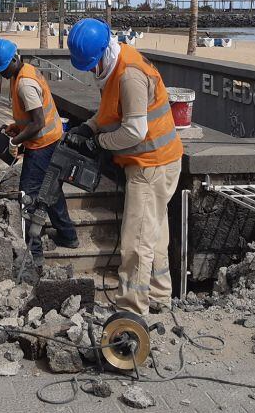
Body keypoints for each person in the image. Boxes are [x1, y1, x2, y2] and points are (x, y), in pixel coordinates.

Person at [66, 18, 183, 316]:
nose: (92, 71)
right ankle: (158, 295)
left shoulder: (129, 75)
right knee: (154, 234)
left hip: (151, 165)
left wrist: (100, 143)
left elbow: (134, 131)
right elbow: (111, 111)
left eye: (92, 65)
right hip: (159, 161)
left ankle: (132, 309)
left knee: (136, 243)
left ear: (103, 53)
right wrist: (89, 128)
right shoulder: (115, 64)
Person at [0, 38, 79, 264]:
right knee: (52, 189)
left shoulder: (24, 83)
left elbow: (37, 122)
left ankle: (33, 251)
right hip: (50, 138)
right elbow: (30, 117)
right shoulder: (22, 72)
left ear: (13, 59)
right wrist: (17, 127)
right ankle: (68, 235)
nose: (2, 74)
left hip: (43, 143)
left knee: (27, 194)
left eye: (3, 69)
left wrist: (16, 141)